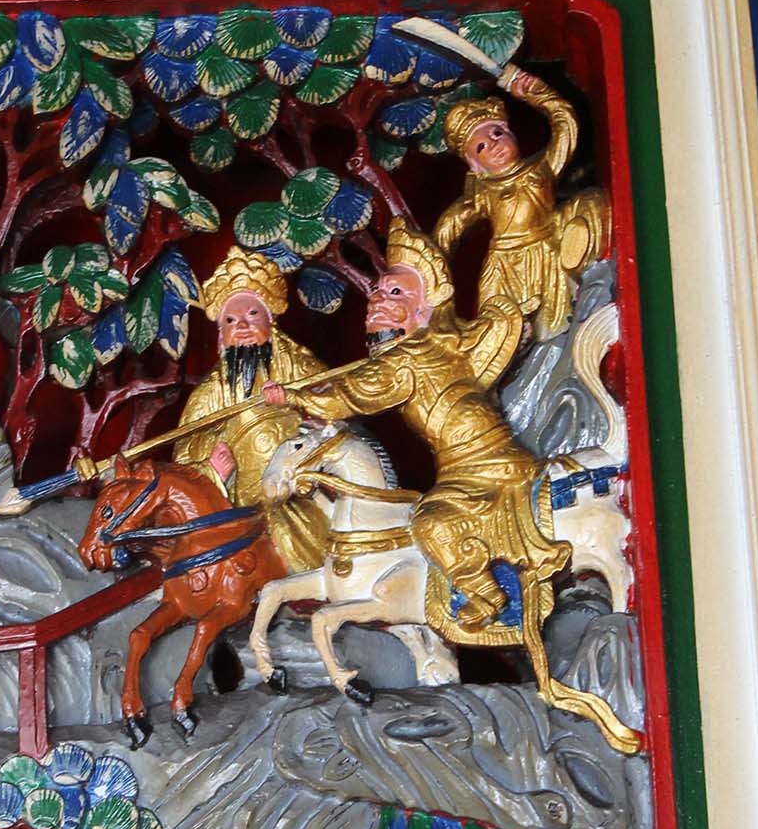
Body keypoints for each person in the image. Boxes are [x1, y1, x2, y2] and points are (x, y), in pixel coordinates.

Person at [265, 221, 552, 632]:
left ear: (423, 311)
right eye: (378, 292)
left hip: (478, 463)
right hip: (469, 462)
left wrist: (292, 397)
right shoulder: (427, 349)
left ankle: (485, 596)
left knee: (429, 523)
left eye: (396, 293)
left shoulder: (409, 356)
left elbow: (354, 395)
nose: (378, 299)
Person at [174, 247, 331, 574]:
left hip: (303, 489)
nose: (242, 327)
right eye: (231, 321)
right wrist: (212, 469)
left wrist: (296, 402)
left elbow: (336, 406)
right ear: (221, 335)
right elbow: (184, 457)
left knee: (296, 526)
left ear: (271, 320)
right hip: (243, 504)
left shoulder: (300, 367)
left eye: (252, 316)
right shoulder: (211, 392)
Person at [434, 69, 608, 353]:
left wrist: (536, 92)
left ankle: (578, 264)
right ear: (474, 165)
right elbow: (448, 227)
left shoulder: (541, 170)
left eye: (497, 133)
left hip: (549, 249)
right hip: (504, 268)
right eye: (481, 146)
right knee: (504, 337)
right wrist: (431, 281)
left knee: (592, 201)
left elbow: (565, 123)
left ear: (511, 132)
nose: (494, 144)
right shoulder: (482, 194)